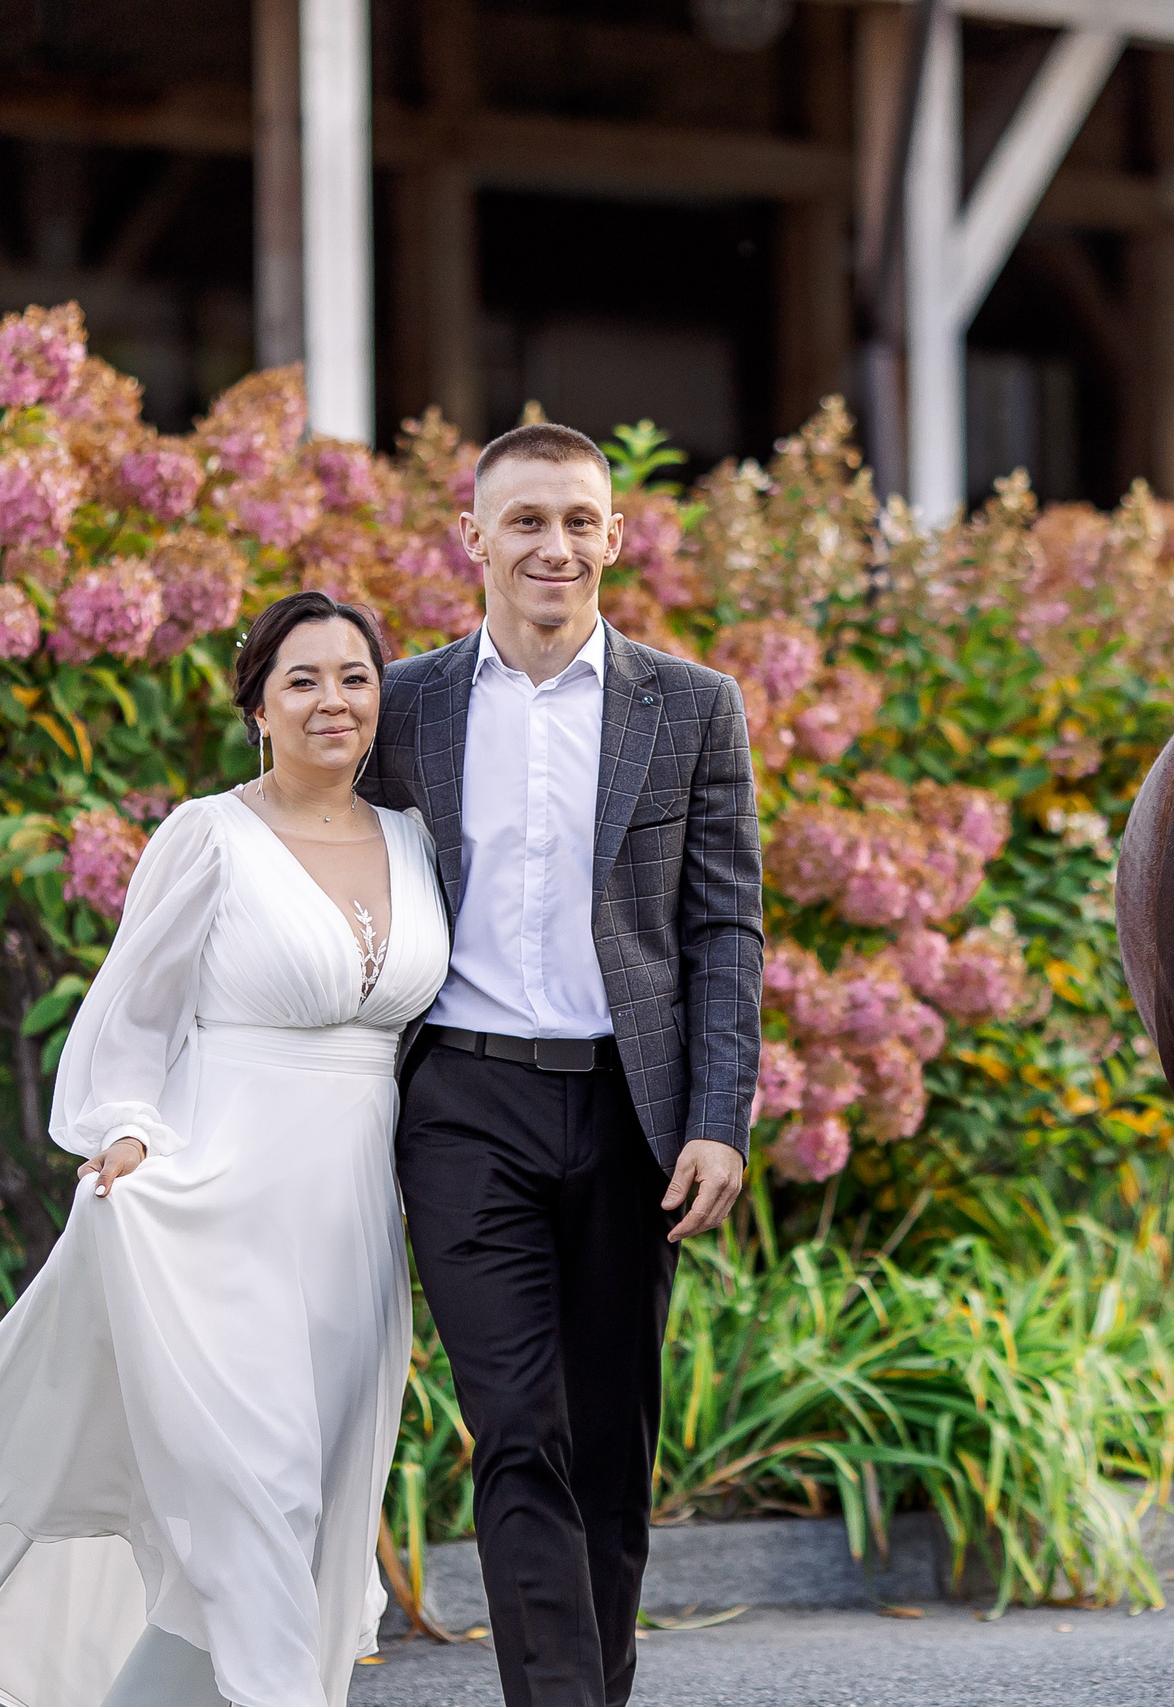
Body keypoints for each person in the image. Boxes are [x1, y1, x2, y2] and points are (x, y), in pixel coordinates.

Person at [0, 592, 449, 1707]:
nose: (332, 700)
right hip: (218, 1207)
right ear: (257, 706)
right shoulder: (211, 835)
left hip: (352, 1225)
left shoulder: (415, 841)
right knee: (259, 1492)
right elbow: (132, 1018)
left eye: (355, 677)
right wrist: (127, 1133)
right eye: (301, 679)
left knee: (310, 1508)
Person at [361, 421, 763, 1707]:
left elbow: (724, 927)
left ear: (615, 539)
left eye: (579, 521)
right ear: (472, 537)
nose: (554, 545)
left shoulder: (691, 705)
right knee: (519, 1434)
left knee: (608, 1444)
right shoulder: (403, 705)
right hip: (462, 1105)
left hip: (629, 1113)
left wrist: (719, 1117)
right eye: (525, 520)